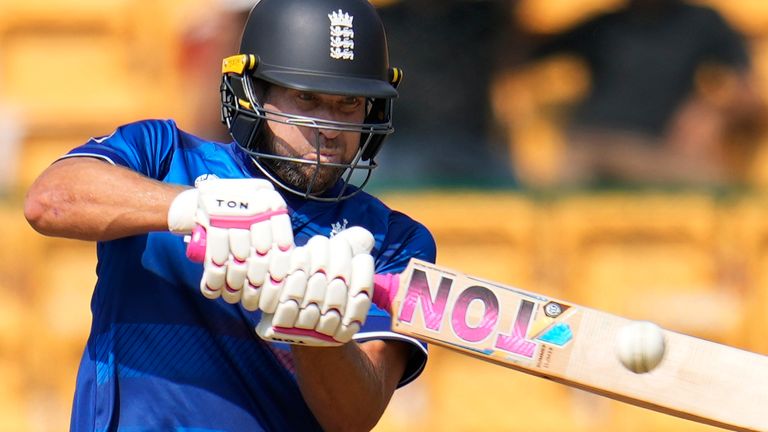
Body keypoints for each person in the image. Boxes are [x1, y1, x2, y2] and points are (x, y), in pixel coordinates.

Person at [23, 0, 436, 430]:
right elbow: (48, 200)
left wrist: (312, 331)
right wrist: (190, 208)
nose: (329, 128)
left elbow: (353, 417)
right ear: (253, 92)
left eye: (348, 104)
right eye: (306, 98)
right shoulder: (162, 156)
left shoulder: (393, 239)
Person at [516, 0, 764, 186]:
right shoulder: (604, 26)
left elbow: (749, 94)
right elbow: (524, 51)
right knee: (556, 205)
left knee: (716, 192)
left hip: (659, 152)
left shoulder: (702, 23)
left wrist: (710, 111)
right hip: (594, 145)